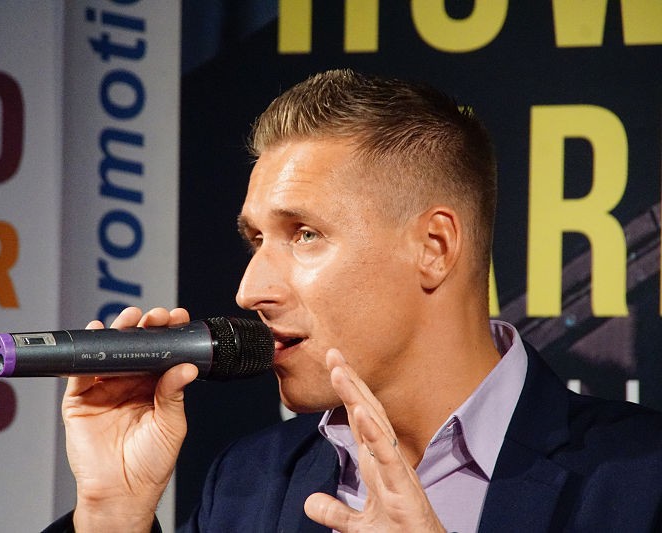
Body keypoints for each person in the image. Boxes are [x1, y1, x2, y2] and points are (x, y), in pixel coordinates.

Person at [45, 69, 662, 532]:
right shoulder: (248, 482)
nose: (249, 290)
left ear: (434, 247)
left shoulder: (644, 481)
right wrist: (112, 515)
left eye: (304, 234)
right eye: (256, 239)